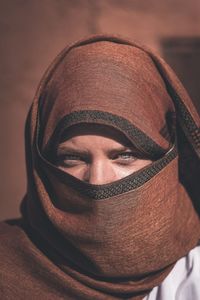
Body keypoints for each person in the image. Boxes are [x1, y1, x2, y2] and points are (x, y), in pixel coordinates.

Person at [0, 34, 199, 300]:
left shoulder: (192, 272)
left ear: (168, 159)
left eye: (125, 156)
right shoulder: (7, 265)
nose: (98, 180)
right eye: (72, 159)